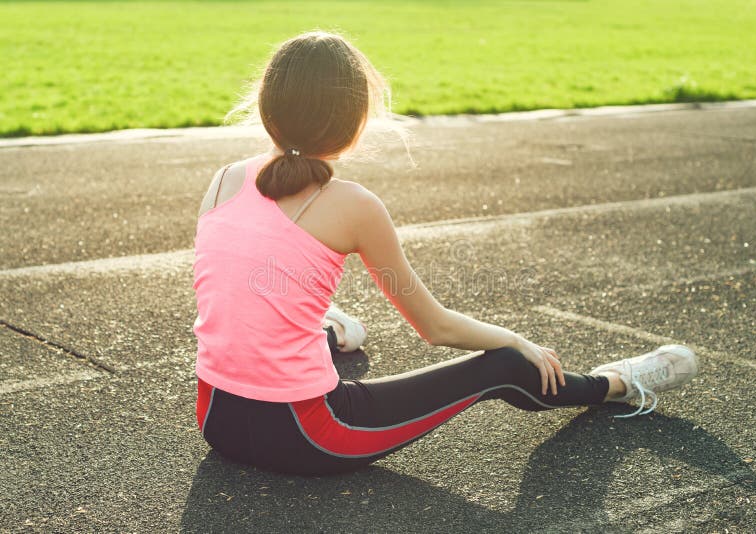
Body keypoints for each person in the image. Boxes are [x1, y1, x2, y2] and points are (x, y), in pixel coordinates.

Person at [192, 30, 699, 477]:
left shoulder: (222, 181)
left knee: (283, 323)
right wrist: (517, 339)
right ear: (355, 122)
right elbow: (434, 328)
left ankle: (332, 329)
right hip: (311, 436)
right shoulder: (354, 206)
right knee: (500, 365)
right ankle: (618, 383)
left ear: (266, 106)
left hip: (216, 422)